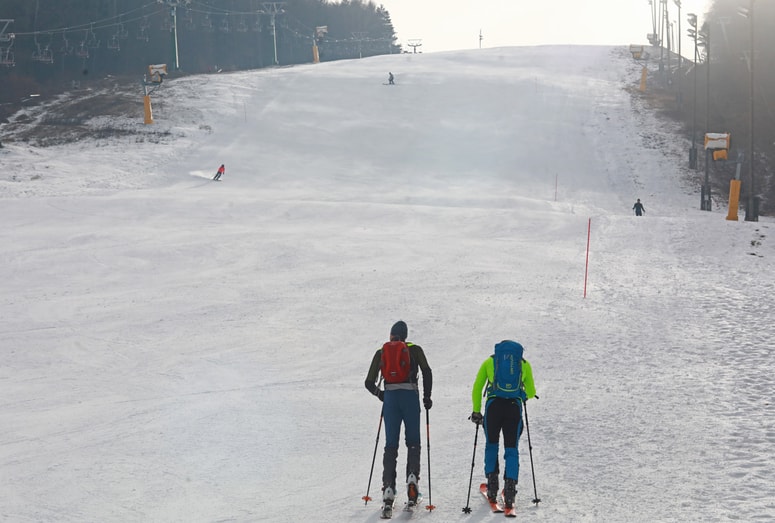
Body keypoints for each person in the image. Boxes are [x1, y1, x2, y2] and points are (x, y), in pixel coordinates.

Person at [365, 320, 432, 515]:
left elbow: (369, 382)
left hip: (391, 400)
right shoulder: (415, 350)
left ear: (392, 335)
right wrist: (427, 397)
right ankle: (412, 482)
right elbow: (427, 372)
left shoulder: (382, 352)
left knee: (390, 445)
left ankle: (388, 491)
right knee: (413, 442)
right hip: (410, 397)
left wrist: (381, 395)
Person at [470, 340, 536, 510]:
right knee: (511, 448)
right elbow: (531, 392)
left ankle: (492, 486)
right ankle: (510, 488)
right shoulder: (523, 364)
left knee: (492, 445)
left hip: (493, 408)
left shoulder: (489, 362)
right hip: (513, 408)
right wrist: (523, 394)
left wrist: (476, 411)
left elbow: (477, 387)